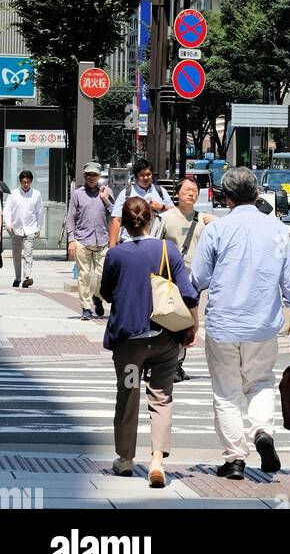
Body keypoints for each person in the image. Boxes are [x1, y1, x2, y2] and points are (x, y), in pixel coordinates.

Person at [191, 166, 290, 480]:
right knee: (260, 381)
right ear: (256, 195)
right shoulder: (277, 230)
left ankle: (234, 459)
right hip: (262, 324)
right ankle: (262, 432)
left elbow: (198, 278)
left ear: (225, 198)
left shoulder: (216, 230)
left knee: (227, 392)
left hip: (223, 323)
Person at [99, 197, 199, 488]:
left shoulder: (116, 255)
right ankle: (157, 459)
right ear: (151, 221)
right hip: (165, 339)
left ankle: (126, 459)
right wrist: (192, 326)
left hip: (129, 342)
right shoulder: (167, 250)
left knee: (128, 395)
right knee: (161, 396)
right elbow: (189, 294)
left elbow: (106, 293)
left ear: (125, 224)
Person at [155, 174, 214, 381]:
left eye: (194, 191)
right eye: (186, 190)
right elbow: (154, 245)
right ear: (177, 194)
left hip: (192, 282)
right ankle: (165, 364)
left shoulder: (203, 221)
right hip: (169, 280)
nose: (191, 194)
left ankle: (177, 365)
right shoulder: (165, 218)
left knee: (187, 324)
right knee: (168, 322)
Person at [67, 162, 113, 319]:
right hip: (82, 240)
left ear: (99, 176)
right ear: (84, 176)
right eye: (88, 175)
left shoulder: (106, 192)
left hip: (102, 240)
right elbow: (71, 218)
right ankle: (86, 307)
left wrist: (106, 199)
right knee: (84, 275)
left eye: (94, 175)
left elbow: (115, 214)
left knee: (102, 276)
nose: (91, 177)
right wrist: (71, 240)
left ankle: (97, 297)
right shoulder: (77, 194)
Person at [109, 158, 171, 247]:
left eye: (148, 174)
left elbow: (174, 212)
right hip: (129, 243)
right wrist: (112, 246)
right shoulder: (126, 193)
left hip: (155, 244)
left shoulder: (161, 191)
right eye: (142, 175)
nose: (145, 178)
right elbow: (117, 220)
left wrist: (161, 207)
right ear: (135, 176)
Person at [5, 170, 44, 288]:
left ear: (31, 181)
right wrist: (8, 223)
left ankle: (26, 277)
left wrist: (39, 227)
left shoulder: (36, 194)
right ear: (20, 181)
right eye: (23, 182)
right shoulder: (13, 194)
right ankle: (17, 278)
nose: (25, 184)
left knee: (28, 253)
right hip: (16, 228)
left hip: (31, 228)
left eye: (28, 182)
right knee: (16, 254)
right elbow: (7, 210)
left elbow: (40, 212)